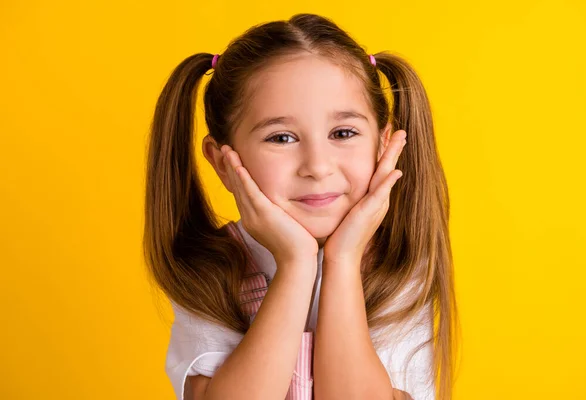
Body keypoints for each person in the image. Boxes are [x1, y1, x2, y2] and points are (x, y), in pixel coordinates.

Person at [144, 12, 458, 400]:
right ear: (223, 161)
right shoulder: (210, 270)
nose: (317, 167)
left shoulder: (400, 267)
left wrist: (343, 261)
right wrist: (296, 264)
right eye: (281, 138)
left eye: (343, 133)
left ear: (383, 144)